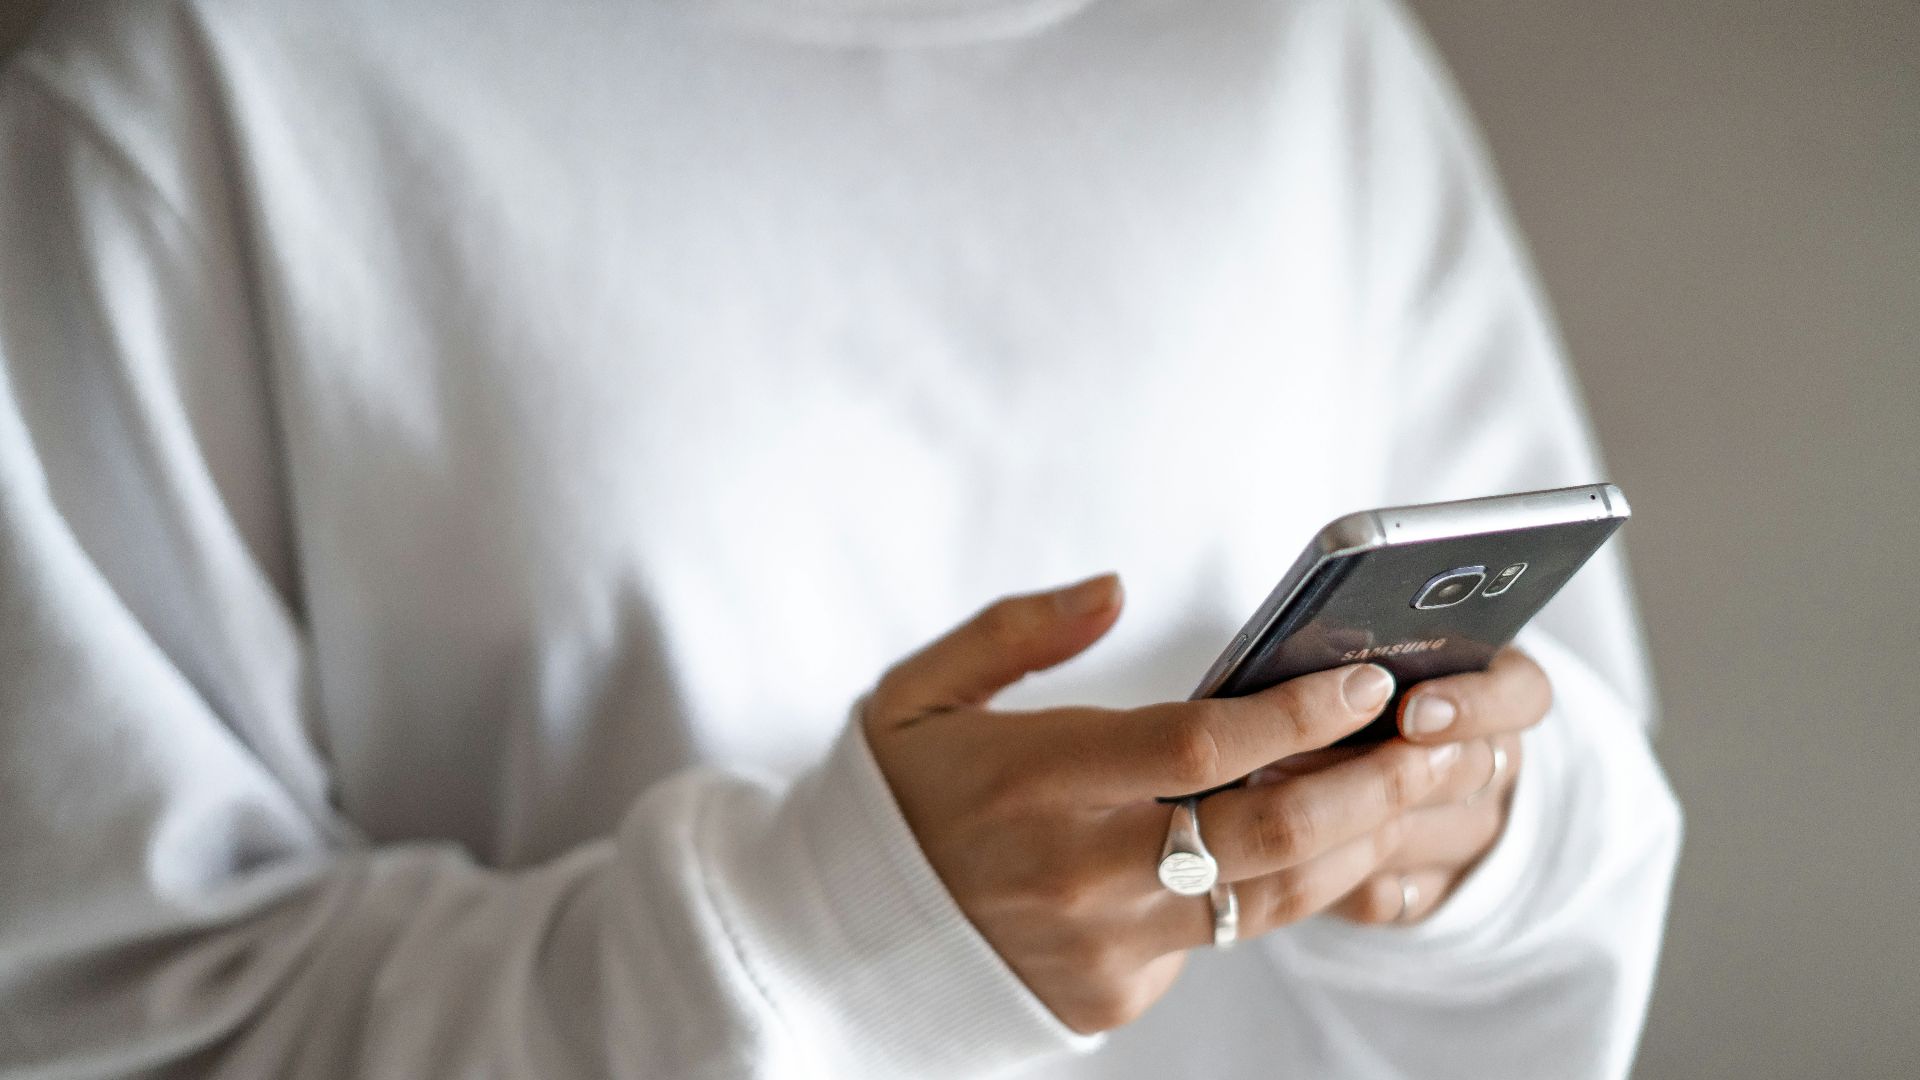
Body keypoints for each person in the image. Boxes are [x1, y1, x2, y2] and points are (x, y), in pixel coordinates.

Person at [0, 0, 1681, 1076]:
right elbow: (93, 1011)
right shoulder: (197, 84)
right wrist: (828, 938)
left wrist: (1466, 837)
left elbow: (1589, 813)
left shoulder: (1307, 58)